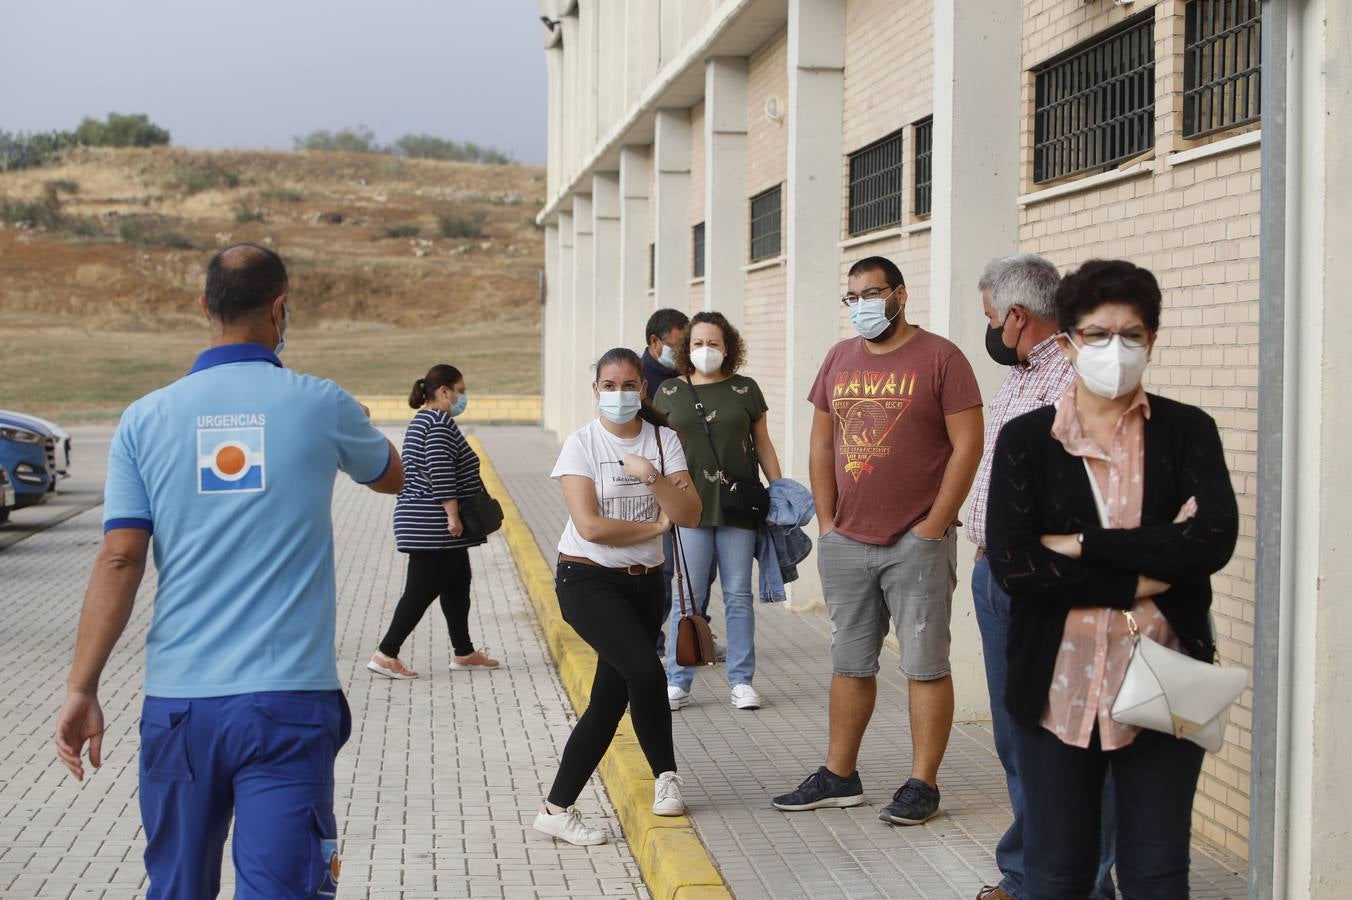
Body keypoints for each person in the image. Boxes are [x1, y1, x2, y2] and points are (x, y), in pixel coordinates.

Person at [53, 243, 404, 898]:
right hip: (287, 703)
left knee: (178, 887)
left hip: (180, 707)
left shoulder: (145, 419)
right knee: (284, 888)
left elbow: (121, 557)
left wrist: (82, 687)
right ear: (280, 308)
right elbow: (390, 473)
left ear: (204, 305)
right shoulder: (320, 402)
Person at [986, 259, 1239, 898]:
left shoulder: (1188, 432)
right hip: (1053, 687)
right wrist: (1135, 578)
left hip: (1165, 679)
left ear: (1152, 339)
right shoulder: (1027, 441)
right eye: (1098, 334)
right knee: (1055, 874)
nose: (1115, 350)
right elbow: (1015, 563)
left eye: (1131, 334)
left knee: (1156, 873)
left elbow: (1211, 540)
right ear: (1069, 339)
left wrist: (1081, 545)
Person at [772, 255, 983, 828]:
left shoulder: (942, 357)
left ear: (900, 294)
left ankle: (923, 784)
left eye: (872, 293)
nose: (862, 304)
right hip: (848, 540)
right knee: (849, 662)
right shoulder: (839, 359)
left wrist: (935, 524)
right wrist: (827, 523)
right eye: (853, 297)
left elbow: (969, 446)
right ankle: (840, 776)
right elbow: (821, 444)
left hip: (916, 540)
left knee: (925, 664)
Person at [968, 255, 1116, 900]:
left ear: (1018, 316)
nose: (991, 331)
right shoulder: (1027, 374)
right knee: (1020, 739)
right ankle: (1031, 872)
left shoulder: (1079, 379)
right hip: (999, 580)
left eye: (991, 320)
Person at [534, 348, 703, 846]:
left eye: (629, 384)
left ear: (643, 390)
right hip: (587, 580)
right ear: (596, 391)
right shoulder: (581, 445)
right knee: (647, 671)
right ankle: (667, 778)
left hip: (647, 584)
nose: (620, 394)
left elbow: (690, 513)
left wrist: (651, 475)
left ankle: (556, 808)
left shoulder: (664, 439)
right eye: (609, 385)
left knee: (608, 702)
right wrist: (653, 523)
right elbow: (591, 526)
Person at [653, 311, 783, 712]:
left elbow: (762, 445)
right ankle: (678, 680)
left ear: (728, 347)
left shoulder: (746, 389)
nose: (705, 350)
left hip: (738, 508)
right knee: (686, 599)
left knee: (738, 595)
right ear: (685, 349)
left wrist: (779, 493)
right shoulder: (670, 392)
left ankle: (741, 681)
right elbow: (656, 450)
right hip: (688, 510)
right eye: (697, 344)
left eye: (713, 343)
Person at [368, 364, 499, 679]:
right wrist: (452, 515)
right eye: (461, 391)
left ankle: (464, 651)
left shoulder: (422, 421)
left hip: (424, 518)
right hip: (434, 522)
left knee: (457, 582)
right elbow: (441, 471)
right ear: (444, 391)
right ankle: (386, 653)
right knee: (420, 589)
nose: (462, 398)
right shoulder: (439, 422)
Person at [641, 307, 690, 656]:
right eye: (678, 344)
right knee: (662, 568)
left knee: (691, 569)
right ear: (655, 342)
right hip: (653, 488)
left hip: (686, 484)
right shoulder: (638, 379)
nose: (684, 352)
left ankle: (687, 633)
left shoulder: (687, 374)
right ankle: (650, 636)